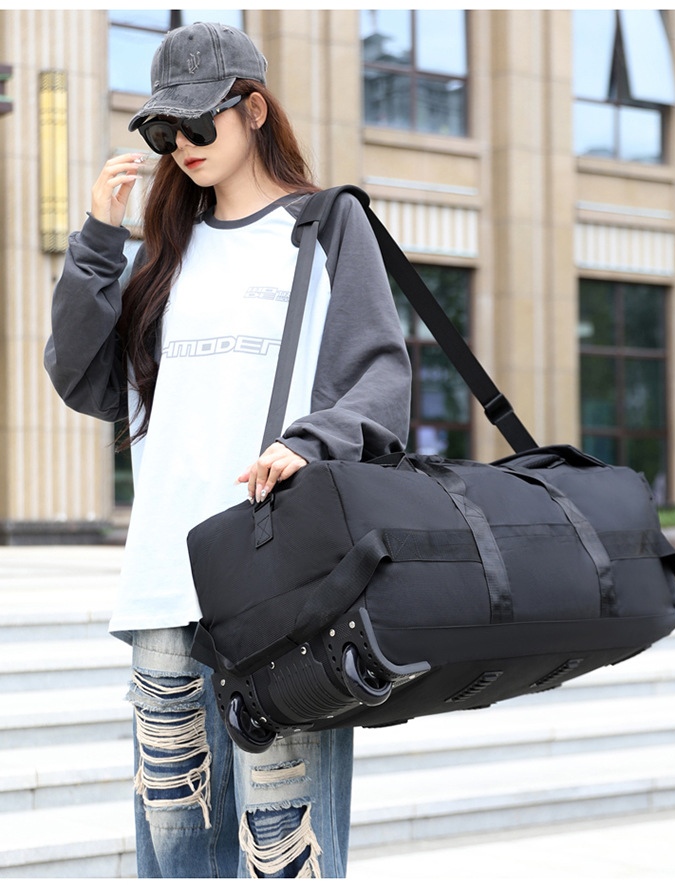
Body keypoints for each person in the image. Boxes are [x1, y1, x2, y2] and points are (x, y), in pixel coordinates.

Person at [44, 21, 411, 879]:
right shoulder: (161, 256)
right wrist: (97, 240)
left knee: (287, 859)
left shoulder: (327, 226)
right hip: (164, 587)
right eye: (163, 131)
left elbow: (379, 377)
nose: (182, 145)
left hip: (284, 591)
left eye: (198, 122)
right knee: (173, 859)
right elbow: (83, 378)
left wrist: (308, 441)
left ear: (253, 110)